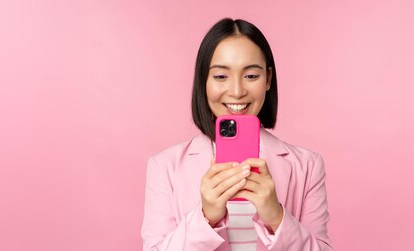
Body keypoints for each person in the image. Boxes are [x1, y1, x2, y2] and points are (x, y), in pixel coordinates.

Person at [140, 18, 332, 251]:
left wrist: (276, 216)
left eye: (251, 76)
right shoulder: (165, 167)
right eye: (221, 76)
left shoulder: (308, 166)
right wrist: (206, 217)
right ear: (204, 81)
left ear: (268, 79)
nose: (237, 91)